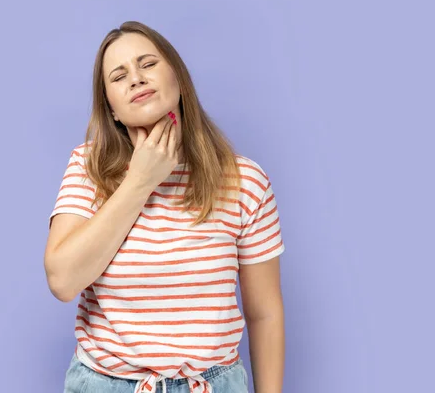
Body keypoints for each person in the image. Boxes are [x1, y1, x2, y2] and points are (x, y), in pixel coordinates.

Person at [45, 21, 285, 393]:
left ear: (178, 77)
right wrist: (140, 180)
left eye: (148, 64)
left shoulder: (245, 181)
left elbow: (265, 313)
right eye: (119, 75)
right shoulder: (87, 167)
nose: (137, 79)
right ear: (111, 109)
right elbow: (62, 281)